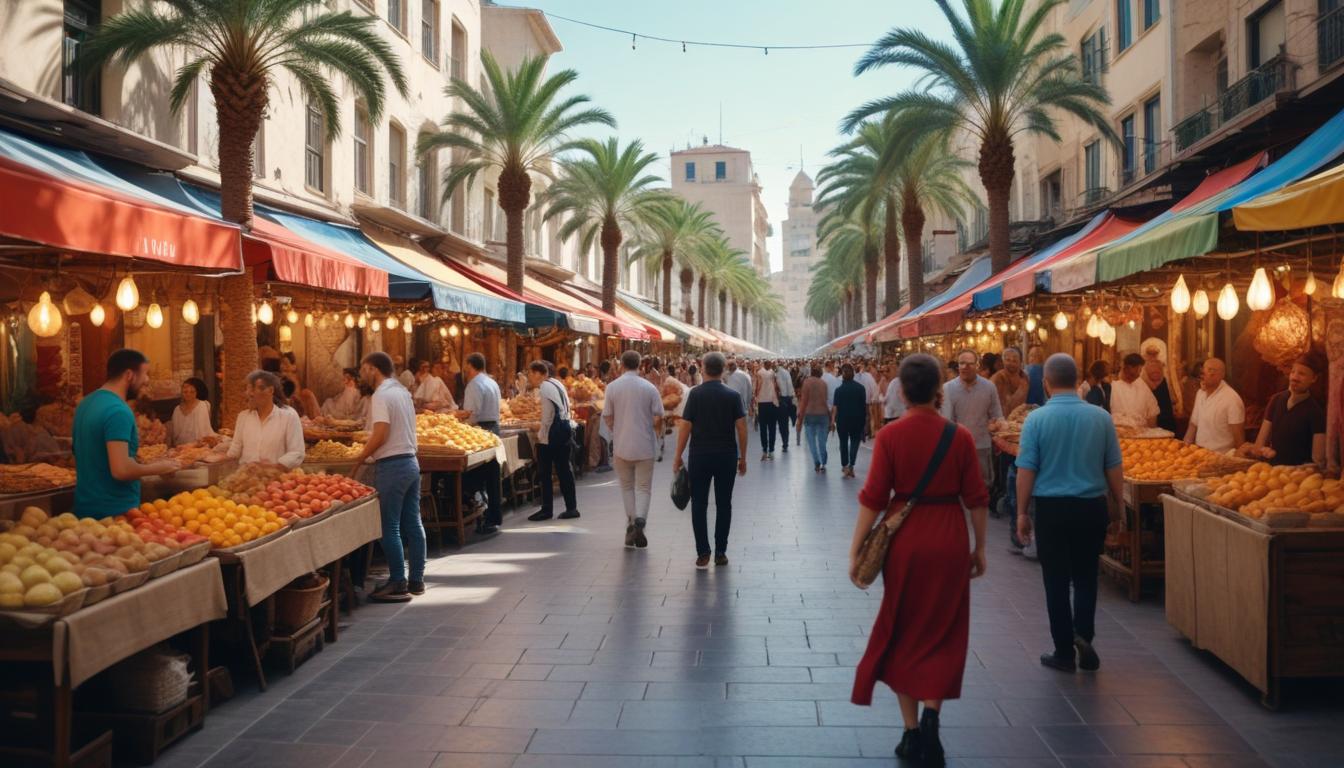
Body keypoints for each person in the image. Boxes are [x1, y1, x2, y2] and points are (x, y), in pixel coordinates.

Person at [849, 354, 988, 767]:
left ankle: (910, 732)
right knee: (944, 630)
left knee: (904, 627)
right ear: (938, 391)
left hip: (905, 541)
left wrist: (856, 549)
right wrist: (980, 547)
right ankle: (932, 716)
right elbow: (977, 498)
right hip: (948, 536)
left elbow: (873, 498)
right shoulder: (959, 436)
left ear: (903, 391)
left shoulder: (891, 437)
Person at [1016, 354, 1123, 674]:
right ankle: (1084, 636)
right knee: (1087, 575)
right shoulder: (1101, 417)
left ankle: (1064, 651)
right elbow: (1114, 467)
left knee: (1056, 580)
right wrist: (1118, 506)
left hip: (1052, 509)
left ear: (1046, 384)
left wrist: (1022, 512)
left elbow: (1026, 471)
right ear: (1077, 381)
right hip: (1092, 507)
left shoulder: (1036, 420)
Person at [72, 350, 181, 518]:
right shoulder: (118, 411)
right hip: (115, 512)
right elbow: (121, 470)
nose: (147, 380)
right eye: (145, 374)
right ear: (129, 375)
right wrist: (159, 467)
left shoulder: (85, 404)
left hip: (85, 508)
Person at [352, 352, 424, 603]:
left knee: (388, 527)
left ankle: (397, 581)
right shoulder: (402, 392)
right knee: (413, 524)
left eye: (362, 369)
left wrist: (360, 457)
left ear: (373, 368)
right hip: (411, 462)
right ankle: (416, 579)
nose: (361, 374)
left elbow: (381, 432)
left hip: (393, 465)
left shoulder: (381, 395)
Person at [673, 352, 748, 568]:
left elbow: (685, 427)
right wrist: (743, 457)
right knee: (724, 504)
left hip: (700, 456)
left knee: (699, 504)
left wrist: (678, 456)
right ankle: (721, 552)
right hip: (726, 456)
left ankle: (703, 552)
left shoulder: (695, 395)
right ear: (723, 369)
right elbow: (742, 428)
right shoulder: (732, 396)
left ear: (703, 368)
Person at [603, 350, 664, 548]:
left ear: (621, 365)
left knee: (627, 487)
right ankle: (640, 520)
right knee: (644, 487)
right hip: (645, 444)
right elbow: (658, 416)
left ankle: (631, 521)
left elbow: (607, 416)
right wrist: (652, 429)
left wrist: (616, 429)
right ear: (640, 365)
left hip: (622, 445)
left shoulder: (612, 387)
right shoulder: (649, 388)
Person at [1241, 354, 1326, 467]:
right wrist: (1262, 451)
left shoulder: (1316, 412)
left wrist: (1298, 470)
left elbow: (1318, 462)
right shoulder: (1276, 400)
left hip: (1297, 478)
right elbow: (1259, 445)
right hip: (1272, 472)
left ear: (1314, 378)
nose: (1294, 377)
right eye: (1293, 372)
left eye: (1302, 374)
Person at [942, 349, 1003, 488]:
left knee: (983, 486)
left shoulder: (989, 387)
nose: (964, 367)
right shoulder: (948, 388)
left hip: (982, 445)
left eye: (969, 364)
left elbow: (997, 415)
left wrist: (998, 432)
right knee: (957, 486)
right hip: (956, 448)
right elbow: (945, 421)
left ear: (977, 365)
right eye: (961, 363)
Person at [456, 353, 503, 533]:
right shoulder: (491, 382)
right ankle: (493, 517)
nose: (463, 369)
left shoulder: (474, 385)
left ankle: (479, 510)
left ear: (469, 365)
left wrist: (461, 424)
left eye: (465, 365)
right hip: (493, 430)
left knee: (473, 475)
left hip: (481, 432)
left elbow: (472, 414)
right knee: (492, 477)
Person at [528, 361, 580, 522]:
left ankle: (546, 509)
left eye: (530, 373)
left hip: (553, 433)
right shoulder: (557, 383)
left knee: (545, 472)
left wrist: (541, 435)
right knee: (564, 470)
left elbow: (548, 416)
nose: (530, 377)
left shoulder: (544, 387)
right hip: (564, 429)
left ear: (538, 373)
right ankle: (571, 507)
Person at [227, 371, 306, 469]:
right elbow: (235, 449)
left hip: (276, 479)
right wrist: (214, 457)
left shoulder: (289, 415)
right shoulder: (243, 417)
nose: (248, 394)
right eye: (248, 391)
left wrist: (272, 467)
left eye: (253, 391)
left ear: (270, 390)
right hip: (246, 478)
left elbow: (297, 452)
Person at [1184, 357, 1245, 454]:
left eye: (1211, 370)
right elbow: (1193, 425)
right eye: (1205, 369)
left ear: (1221, 375)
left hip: (1222, 457)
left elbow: (1239, 438)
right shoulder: (1200, 393)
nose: (1205, 373)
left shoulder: (1232, 398)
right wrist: (1184, 449)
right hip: (1199, 454)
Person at [833, 364, 868, 479]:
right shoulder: (861, 388)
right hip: (857, 420)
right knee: (854, 441)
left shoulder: (838, 391)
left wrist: (832, 421)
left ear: (842, 376)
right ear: (853, 375)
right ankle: (851, 464)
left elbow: (835, 408)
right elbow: (864, 406)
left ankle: (844, 465)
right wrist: (866, 420)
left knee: (843, 442)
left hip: (842, 421)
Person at [797, 364, 832, 472]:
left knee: (811, 440)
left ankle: (816, 460)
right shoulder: (824, 384)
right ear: (820, 373)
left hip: (810, 414)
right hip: (823, 414)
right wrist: (831, 418)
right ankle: (823, 461)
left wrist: (800, 419)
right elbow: (826, 401)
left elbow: (803, 402)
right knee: (822, 440)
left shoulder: (806, 383)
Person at [1109, 353, 1159, 428]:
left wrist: (1151, 433)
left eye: (1140, 370)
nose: (1139, 374)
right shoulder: (1112, 385)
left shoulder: (1142, 385)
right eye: (1138, 370)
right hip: (1118, 434)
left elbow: (1152, 412)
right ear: (1128, 368)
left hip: (1141, 434)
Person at [169, 377, 215, 447]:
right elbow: (175, 435)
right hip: (181, 447)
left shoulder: (202, 405)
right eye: (185, 392)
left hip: (199, 446)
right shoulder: (177, 410)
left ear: (196, 392)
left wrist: (195, 445)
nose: (188, 394)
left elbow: (203, 433)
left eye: (192, 392)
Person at [990, 347, 1028, 416]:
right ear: (1003, 361)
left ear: (1020, 362)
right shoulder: (998, 378)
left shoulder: (1024, 377)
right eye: (1008, 360)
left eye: (1015, 360)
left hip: (1019, 418)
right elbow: (998, 406)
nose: (1011, 363)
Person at [754, 360, 780, 460]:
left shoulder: (759, 373)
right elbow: (777, 387)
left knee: (763, 429)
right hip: (772, 402)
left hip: (762, 403)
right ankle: (771, 451)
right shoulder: (773, 373)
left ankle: (765, 450)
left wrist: (754, 401)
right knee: (772, 428)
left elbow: (756, 388)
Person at [1143, 359, 1177, 433]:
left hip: (1167, 421)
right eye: (1152, 369)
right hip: (1151, 423)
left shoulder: (1165, 381)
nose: (1155, 372)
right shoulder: (1144, 385)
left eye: (1157, 369)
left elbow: (1174, 399)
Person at [855, 362, 881, 440]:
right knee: (867, 416)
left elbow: (873, 387)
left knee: (863, 416)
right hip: (865, 400)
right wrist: (873, 397)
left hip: (861, 400)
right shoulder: (866, 376)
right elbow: (873, 387)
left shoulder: (857, 376)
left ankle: (864, 432)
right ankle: (867, 432)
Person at [774, 360, 796, 452]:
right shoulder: (785, 373)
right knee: (783, 424)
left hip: (781, 400)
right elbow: (790, 387)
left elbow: (789, 387)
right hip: (784, 400)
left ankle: (785, 443)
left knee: (782, 424)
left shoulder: (780, 373)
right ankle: (785, 443)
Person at [725, 360, 754, 426]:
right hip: (743, 407)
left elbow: (732, 395)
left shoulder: (736, 376)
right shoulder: (745, 374)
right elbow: (750, 391)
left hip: (738, 409)